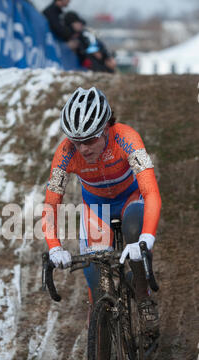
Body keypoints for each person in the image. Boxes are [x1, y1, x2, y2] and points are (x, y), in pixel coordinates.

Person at [42, 87, 161, 341]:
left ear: (107, 126)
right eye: (76, 141)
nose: (83, 149)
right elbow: (51, 205)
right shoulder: (66, 153)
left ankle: (142, 296)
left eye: (90, 139)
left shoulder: (127, 138)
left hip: (131, 200)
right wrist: (54, 247)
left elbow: (150, 192)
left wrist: (147, 237)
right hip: (96, 209)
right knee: (97, 283)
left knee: (133, 229)